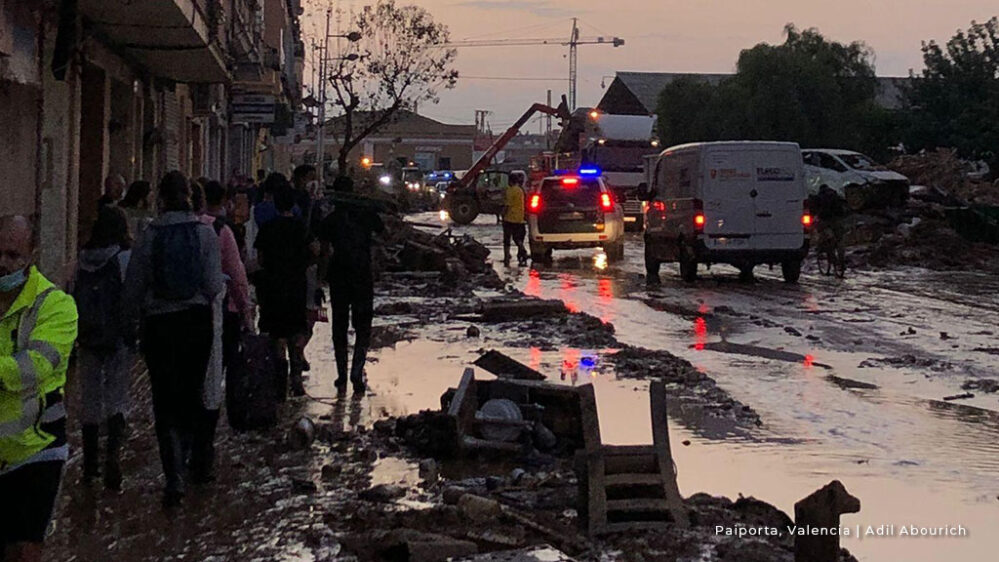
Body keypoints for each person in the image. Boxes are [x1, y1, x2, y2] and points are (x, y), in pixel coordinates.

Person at [123, 171, 224, 508]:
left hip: (159, 326)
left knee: (164, 399)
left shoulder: (149, 235)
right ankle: (191, 461)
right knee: (193, 392)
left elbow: (133, 287)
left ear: (161, 199)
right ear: (190, 198)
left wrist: (132, 323)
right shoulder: (205, 234)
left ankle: (173, 477)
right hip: (196, 324)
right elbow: (213, 285)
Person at [0, 215, 78, 562]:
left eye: (12, 255)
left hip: (37, 448)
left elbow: (31, 370)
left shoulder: (56, 305)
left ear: (32, 255)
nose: (3, 263)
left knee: (24, 549)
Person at [191, 182, 252, 480]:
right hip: (218, 316)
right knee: (213, 380)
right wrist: (247, 315)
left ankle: (181, 449)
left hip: (172, 320)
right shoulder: (220, 231)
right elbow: (237, 279)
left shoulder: (159, 231)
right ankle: (203, 453)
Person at [71, 206, 132, 492]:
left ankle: (90, 464)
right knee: (116, 396)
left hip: (87, 337)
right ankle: (113, 456)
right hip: (117, 336)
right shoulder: (122, 258)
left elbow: (73, 295)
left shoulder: (82, 259)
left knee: (90, 398)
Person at [318, 176, 384, 394]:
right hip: (362, 274)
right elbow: (383, 232)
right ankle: (357, 370)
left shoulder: (331, 220)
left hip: (339, 276)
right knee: (363, 326)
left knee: (339, 326)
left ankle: (341, 375)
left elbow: (324, 251)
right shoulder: (366, 214)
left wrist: (321, 278)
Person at [253, 184, 312, 398]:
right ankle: (296, 378)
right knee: (296, 331)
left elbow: (260, 258)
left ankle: (279, 384)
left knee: (276, 334)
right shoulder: (301, 228)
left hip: (272, 287)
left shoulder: (267, 228)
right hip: (296, 285)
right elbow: (311, 255)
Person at [502, 172, 529, 266]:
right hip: (520, 218)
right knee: (518, 238)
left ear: (510, 181)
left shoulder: (509, 191)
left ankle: (506, 256)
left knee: (507, 238)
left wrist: (502, 215)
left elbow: (507, 205)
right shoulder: (520, 190)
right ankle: (521, 249)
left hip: (509, 218)